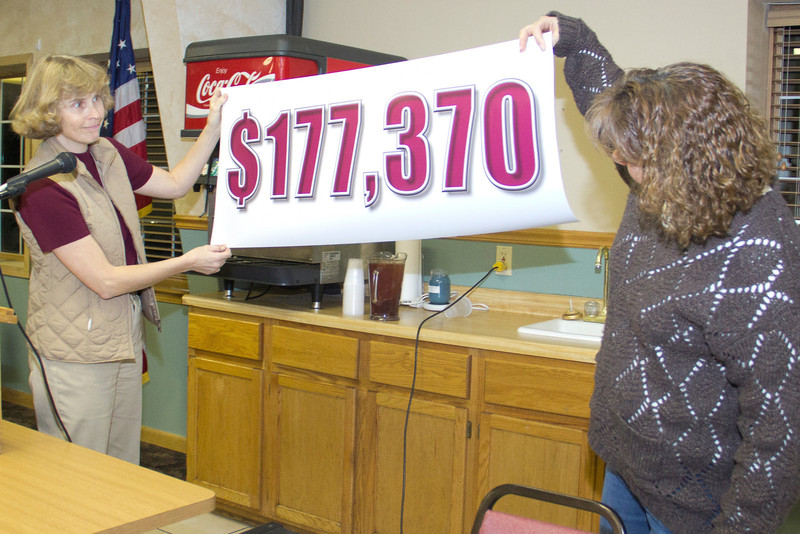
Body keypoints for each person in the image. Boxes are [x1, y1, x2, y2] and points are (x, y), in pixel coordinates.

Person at [520, 12, 800, 534]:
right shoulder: (660, 183)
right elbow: (609, 95)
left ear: (691, 154)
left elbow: (780, 426)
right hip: (625, 467)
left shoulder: (759, 251)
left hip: (697, 502)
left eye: (636, 159)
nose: (626, 171)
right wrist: (572, 39)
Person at [9, 54, 231, 464]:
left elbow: (178, 182)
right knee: (78, 474)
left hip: (121, 338)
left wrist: (213, 125)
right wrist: (186, 262)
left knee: (120, 470)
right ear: (47, 110)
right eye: (78, 104)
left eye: (97, 98)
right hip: (73, 353)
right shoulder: (42, 187)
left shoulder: (107, 152)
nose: (95, 113)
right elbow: (106, 280)